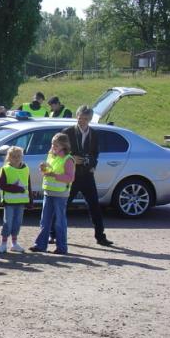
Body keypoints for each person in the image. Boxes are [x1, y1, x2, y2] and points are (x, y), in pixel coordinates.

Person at [61, 105, 113, 246]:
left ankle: (100, 237)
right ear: (76, 117)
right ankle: (54, 234)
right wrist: (71, 158)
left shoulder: (94, 134)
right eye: (79, 118)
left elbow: (95, 153)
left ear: (90, 119)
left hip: (87, 176)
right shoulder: (67, 132)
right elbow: (58, 151)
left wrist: (92, 165)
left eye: (85, 119)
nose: (81, 121)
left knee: (95, 206)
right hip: (71, 175)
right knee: (63, 206)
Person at [31, 133, 75, 254]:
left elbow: (70, 177)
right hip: (48, 192)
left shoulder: (68, 159)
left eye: (56, 144)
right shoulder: (51, 155)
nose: (53, 146)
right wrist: (44, 169)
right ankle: (40, 245)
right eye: (52, 144)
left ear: (64, 145)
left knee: (59, 222)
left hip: (61, 194)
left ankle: (61, 247)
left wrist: (54, 175)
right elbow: (49, 170)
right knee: (44, 220)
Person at [0, 146, 32, 253]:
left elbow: (28, 185)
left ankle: (14, 243)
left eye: (18, 156)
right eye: (13, 156)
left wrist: (30, 199)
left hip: (21, 201)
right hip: (9, 202)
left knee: (17, 222)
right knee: (8, 222)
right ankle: (3, 244)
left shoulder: (26, 168)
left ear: (22, 157)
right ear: (9, 157)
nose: (16, 158)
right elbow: (2, 185)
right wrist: (17, 189)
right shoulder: (5, 169)